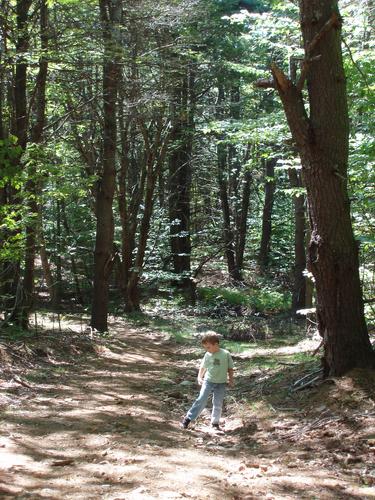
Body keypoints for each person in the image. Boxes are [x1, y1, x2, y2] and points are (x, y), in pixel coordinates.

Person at [181, 332, 234, 430]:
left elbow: (230, 368)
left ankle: (215, 423)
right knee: (201, 399)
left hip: (221, 383)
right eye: (205, 347)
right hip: (208, 380)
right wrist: (199, 377)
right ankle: (188, 418)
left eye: (208, 347)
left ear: (216, 344)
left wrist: (231, 380)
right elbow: (203, 366)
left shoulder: (225, 354)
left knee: (218, 403)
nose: (207, 349)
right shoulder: (207, 355)